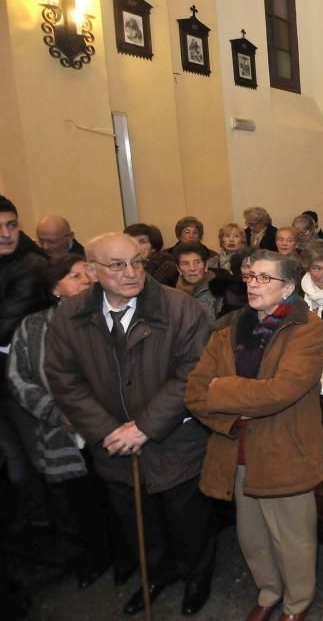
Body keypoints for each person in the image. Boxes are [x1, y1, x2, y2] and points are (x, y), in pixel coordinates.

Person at [45, 233, 215, 616]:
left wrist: (145, 426)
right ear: (91, 270)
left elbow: (194, 371)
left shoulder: (179, 307)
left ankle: (196, 576)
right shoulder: (70, 316)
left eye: (136, 262)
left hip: (174, 438)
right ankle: (156, 574)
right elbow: (64, 380)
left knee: (186, 518)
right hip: (114, 445)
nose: (131, 272)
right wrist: (107, 431)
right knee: (137, 521)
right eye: (117, 265)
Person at [184, 249, 323, 621]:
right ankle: (269, 590)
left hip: (284, 446)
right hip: (235, 446)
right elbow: (195, 393)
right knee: (252, 535)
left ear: (288, 287)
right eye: (250, 277)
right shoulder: (228, 326)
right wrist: (234, 413)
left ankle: (297, 602)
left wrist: (223, 391)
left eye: (265, 278)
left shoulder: (305, 327)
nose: (253, 284)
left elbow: (281, 391)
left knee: (291, 535)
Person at [8, 254, 131, 589]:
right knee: (80, 503)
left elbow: (123, 374)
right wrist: (57, 413)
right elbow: (18, 379)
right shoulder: (32, 327)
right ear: (54, 288)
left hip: (106, 427)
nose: (86, 281)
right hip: (62, 431)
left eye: (88, 274)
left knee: (116, 499)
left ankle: (126, 559)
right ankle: (95, 557)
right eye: (76, 276)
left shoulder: (107, 318)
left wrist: (95, 415)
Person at [0, 196, 50, 537]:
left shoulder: (32, 265)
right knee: (15, 465)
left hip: (25, 382)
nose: (6, 234)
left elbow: (5, 323)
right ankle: (38, 524)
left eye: (12, 225)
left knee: (42, 460)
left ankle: (64, 534)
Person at [173, 242, 223, 324]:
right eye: (185, 263)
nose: (192, 268)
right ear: (178, 268)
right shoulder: (171, 293)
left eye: (197, 262)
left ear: (206, 265)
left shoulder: (220, 290)